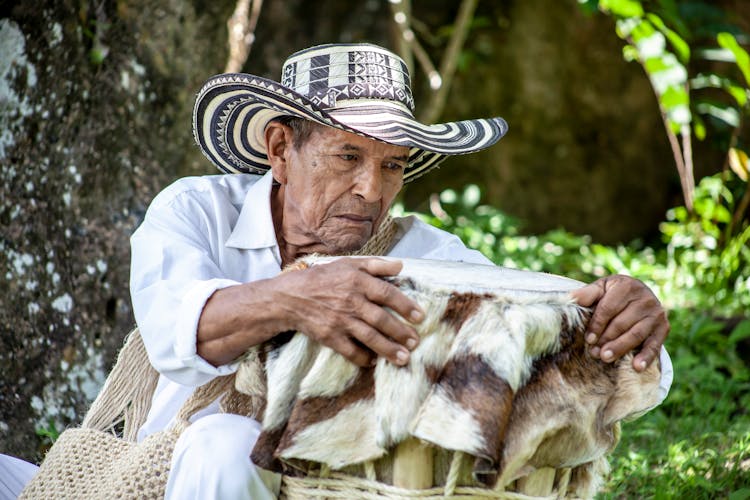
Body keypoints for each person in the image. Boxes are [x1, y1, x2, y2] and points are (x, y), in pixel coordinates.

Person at [4, 42, 672, 499]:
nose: (370, 189)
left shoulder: (420, 251)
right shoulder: (196, 211)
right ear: (279, 149)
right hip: (154, 475)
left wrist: (626, 324)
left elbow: (524, 321)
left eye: (392, 165)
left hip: (336, 481)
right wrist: (297, 296)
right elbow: (180, 331)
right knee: (221, 444)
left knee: (231, 447)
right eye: (347, 155)